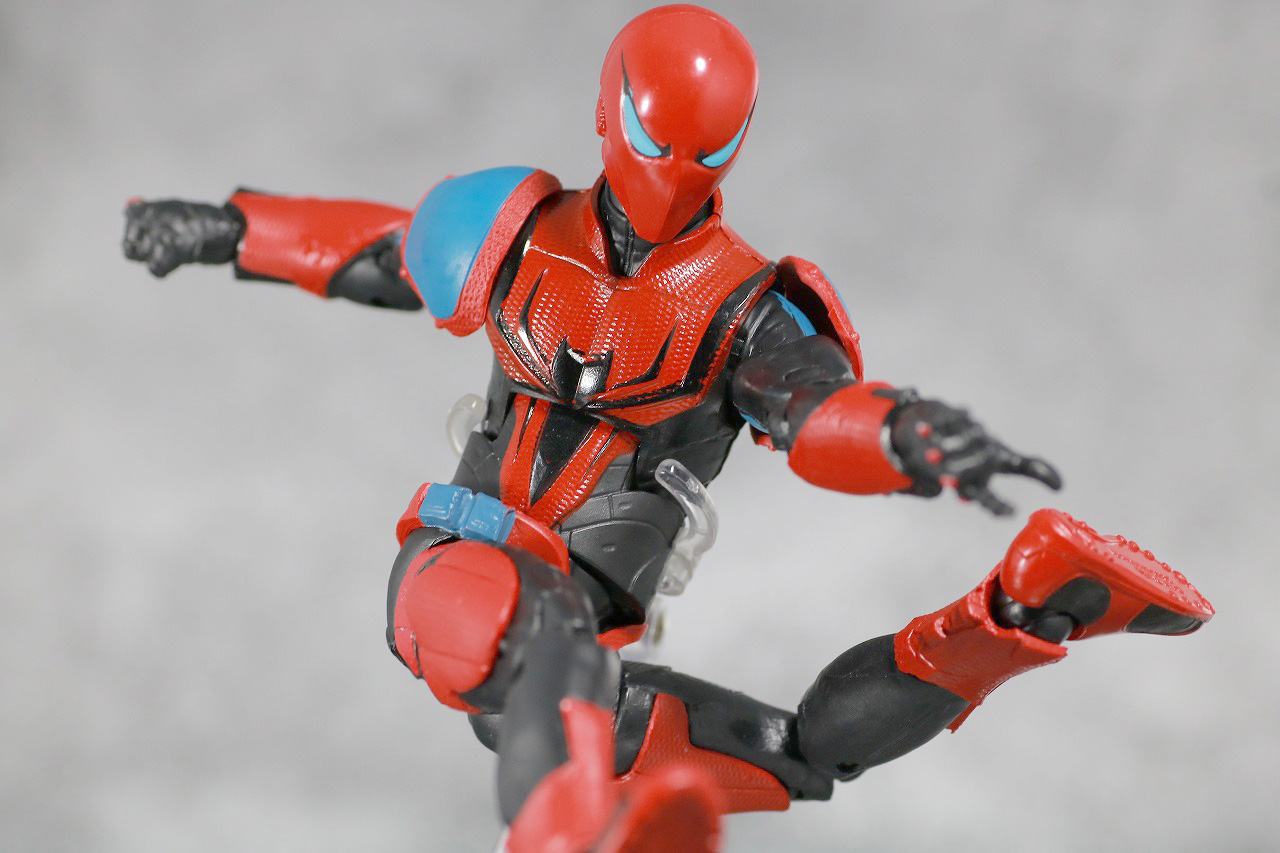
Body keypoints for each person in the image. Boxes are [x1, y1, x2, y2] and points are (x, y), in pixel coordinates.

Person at [122, 6, 1212, 851]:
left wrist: (903, 432)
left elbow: (816, 411)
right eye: (656, 134)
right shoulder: (511, 233)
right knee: (533, 649)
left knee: (800, 754)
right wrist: (228, 227)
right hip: (464, 569)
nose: (673, 168)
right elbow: (380, 254)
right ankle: (568, 826)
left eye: (705, 144)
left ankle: (1022, 607)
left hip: (576, 662)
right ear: (608, 112)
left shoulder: (747, 310)